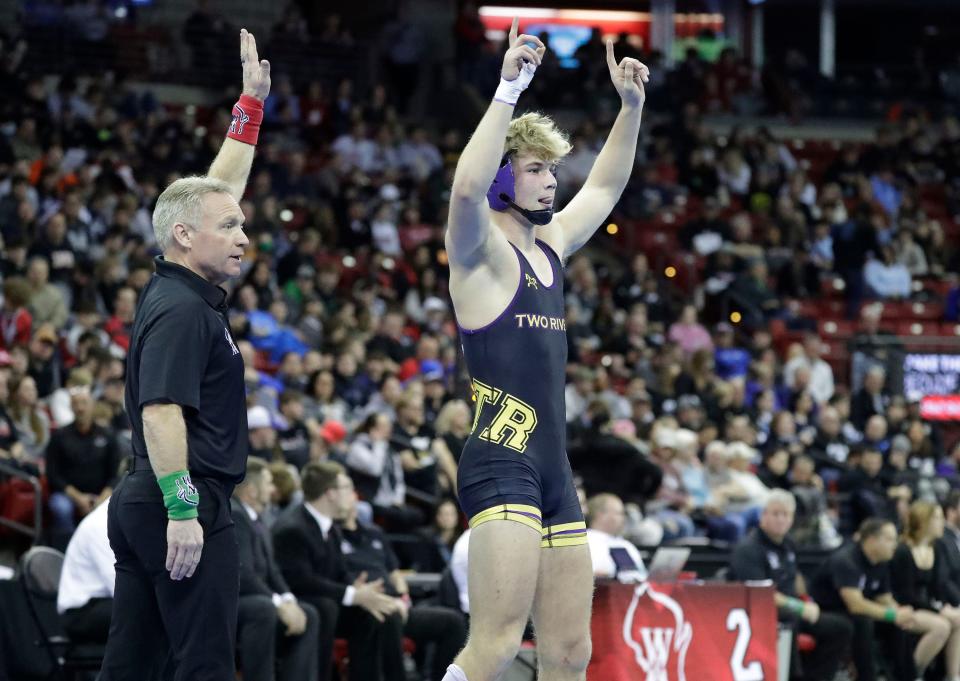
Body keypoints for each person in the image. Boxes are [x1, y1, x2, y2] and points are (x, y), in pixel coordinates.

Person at [443, 18, 649, 681]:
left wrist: (632, 108)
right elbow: (466, 189)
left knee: (568, 654)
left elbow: (607, 188)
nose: (551, 181)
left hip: (553, 470)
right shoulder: (478, 253)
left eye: (552, 170)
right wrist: (507, 90)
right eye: (535, 168)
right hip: (500, 462)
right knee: (497, 645)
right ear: (505, 176)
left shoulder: (553, 245)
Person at [98, 30, 271, 681]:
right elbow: (160, 412)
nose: (243, 236)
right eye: (231, 229)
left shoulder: (177, 286)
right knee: (203, 663)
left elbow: (212, 192)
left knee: (133, 664)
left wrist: (248, 111)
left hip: (148, 494)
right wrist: (183, 507)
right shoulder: (182, 311)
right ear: (183, 236)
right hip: (179, 496)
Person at [271, 461, 398, 681]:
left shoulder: (330, 526)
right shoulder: (293, 528)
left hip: (327, 599)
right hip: (295, 600)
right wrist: (352, 594)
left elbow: (341, 572)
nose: (353, 494)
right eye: (347, 487)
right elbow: (300, 580)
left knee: (375, 610)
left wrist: (361, 591)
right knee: (326, 607)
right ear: (330, 493)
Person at [338, 481, 468, 681]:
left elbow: (395, 572)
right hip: (366, 606)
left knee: (453, 622)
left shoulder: (374, 533)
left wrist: (403, 597)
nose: (353, 501)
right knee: (389, 617)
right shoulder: (333, 535)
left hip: (399, 604)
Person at [728, 490, 852, 681]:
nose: (781, 519)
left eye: (786, 515)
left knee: (841, 627)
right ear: (763, 515)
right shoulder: (749, 549)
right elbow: (761, 594)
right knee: (790, 622)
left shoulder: (788, 545)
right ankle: (794, 676)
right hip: (760, 612)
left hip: (790, 608)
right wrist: (800, 607)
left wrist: (808, 601)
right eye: (776, 514)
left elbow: (795, 579)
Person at [232, 457, 320, 681]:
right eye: (269, 483)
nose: (273, 489)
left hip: (259, 597)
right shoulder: (236, 515)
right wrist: (278, 603)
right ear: (251, 490)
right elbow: (244, 574)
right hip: (232, 601)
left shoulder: (259, 519)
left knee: (308, 612)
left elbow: (273, 571)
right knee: (263, 609)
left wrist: (289, 599)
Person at [807, 518, 916, 681]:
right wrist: (893, 615)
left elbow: (884, 597)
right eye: (889, 539)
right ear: (872, 540)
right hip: (827, 609)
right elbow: (855, 605)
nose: (895, 544)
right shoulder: (846, 560)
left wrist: (899, 613)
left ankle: (906, 677)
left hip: (854, 610)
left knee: (898, 625)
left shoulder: (881, 561)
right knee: (863, 622)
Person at [890, 500, 960, 681]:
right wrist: (938, 610)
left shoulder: (934, 548)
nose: (942, 522)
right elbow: (905, 594)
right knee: (941, 626)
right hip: (903, 607)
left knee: (958, 618)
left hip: (925, 605)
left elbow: (938, 586)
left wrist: (945, 606)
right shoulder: (903, 551)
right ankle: (912, 674)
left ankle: (952, 675)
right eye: (937, 518)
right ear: (923, 521)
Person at [585, 493, 647, 580]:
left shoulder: (625, 544)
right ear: (601, 514)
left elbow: (640, 577)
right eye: (619, 513)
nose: (623, 518)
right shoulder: (583, 541)